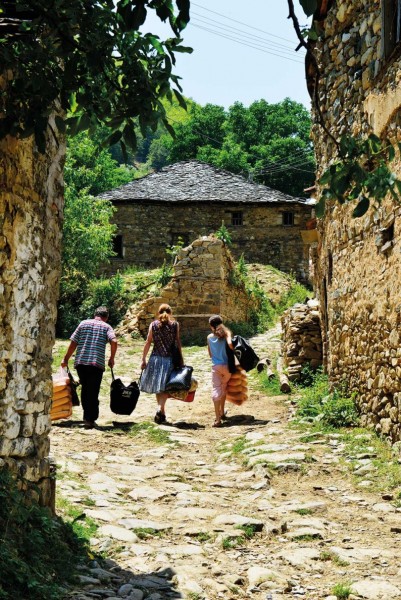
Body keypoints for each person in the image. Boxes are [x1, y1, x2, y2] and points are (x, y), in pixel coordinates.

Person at [61, 306, 117, 429]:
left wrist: (65, 359)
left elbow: (73, 342)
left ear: (95, 314)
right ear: (106, 317)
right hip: (96, 364)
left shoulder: (83, 323)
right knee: (93, 391)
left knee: (86, 389)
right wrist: (112, 358)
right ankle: (90, 418)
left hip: (81, 362)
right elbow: (114, 341)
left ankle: (87, 417)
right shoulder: (107, 327)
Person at [140, 303, 183, 424]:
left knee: (159, 386)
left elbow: (148, 341)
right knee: (164, 387)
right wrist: (181, 359)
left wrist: (143, 358)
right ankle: (160, 409)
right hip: (168, 359)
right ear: (170, 313)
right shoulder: (175, 325)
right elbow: (177, 342)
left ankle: (161, 412)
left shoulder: (153, 325)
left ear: (159, 312)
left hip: (155, 359)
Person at [207, 314, 236, 428]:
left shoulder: (209, 337)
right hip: (227, 367)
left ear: (211, 326)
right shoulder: (226, 334)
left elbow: (210, 354)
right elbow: (230, 345)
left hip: (216, 367)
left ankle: (217, 419)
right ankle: (222, 412)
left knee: (216, 389)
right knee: (223, 388)